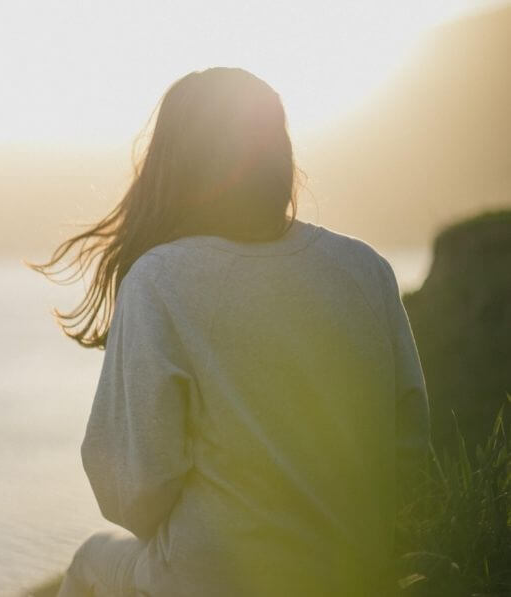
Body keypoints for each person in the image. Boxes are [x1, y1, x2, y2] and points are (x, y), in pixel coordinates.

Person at [31, 67, 430, 596]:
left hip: (216, 577)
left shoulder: (159, 279)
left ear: (172, 164)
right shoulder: (365, 268)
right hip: (356, 569)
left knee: (88, 565)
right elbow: (410, 445)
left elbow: (131, 492)